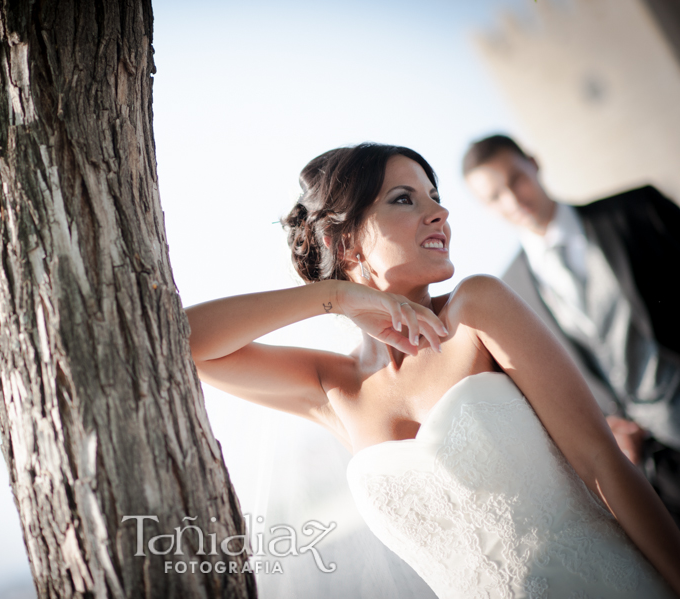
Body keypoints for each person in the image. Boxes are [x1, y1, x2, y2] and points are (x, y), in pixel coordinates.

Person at [184, 143, 680, 598]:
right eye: (405, 199)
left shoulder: (475, 309)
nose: (439, 212)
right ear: (349, 241)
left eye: (435, 196)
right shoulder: (331, 387)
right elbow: (183, 342)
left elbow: (601, 463)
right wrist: (333, 298)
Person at [462, 134, 680, 526]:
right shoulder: (508, 292)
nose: (513, 200)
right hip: (648, 468)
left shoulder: (636, 208)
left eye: (516, 179)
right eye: (495, 196)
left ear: (534, 162)